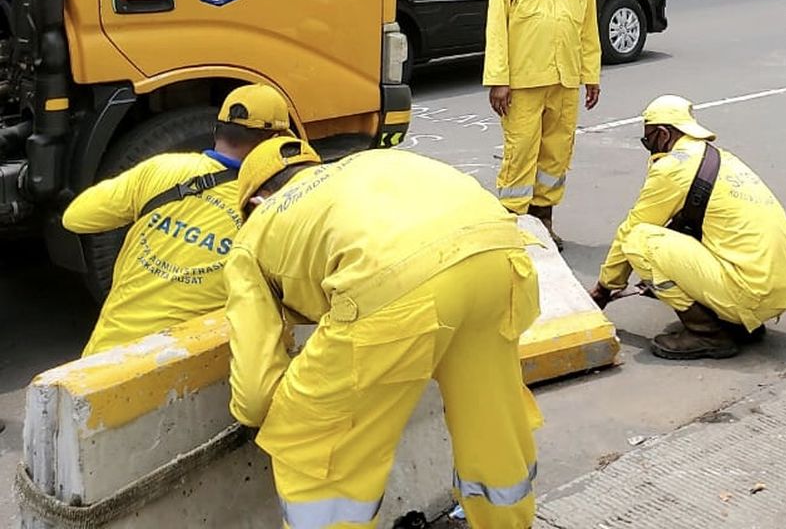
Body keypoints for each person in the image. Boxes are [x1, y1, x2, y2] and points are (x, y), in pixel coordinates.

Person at [225, 138, 541, 529]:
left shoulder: (254, 233)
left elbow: (255, 395)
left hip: (395, 284)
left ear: (257, 202)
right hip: (501, 253)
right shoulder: (364, 166)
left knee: (310, 440)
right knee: (491, 418)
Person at [63, 84, 290, 355]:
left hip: (102, 360)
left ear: (217, 129)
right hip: (182, 371)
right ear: (273, 142)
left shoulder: (161, 168)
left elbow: (75, 217)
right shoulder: (269, 210)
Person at [588, 96, 786, 360]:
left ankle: (708, 333)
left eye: (648, 141)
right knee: (681, 231)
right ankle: (735, 321)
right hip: (778, 286)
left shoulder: (674, 168)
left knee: (639, 241)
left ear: (663, 134)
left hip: (752, 292)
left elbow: (632, 229)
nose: (650, 148)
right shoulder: (719, 158)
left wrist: (605, 287)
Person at [484, 0, 602, 250]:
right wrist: (498, 81)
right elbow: (496, 29)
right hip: (523, 82)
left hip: (564, 81)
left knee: (556, 154)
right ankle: (515, 225)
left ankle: (543, 220)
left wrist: (591, 75)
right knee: (520, 152)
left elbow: (588, 28)